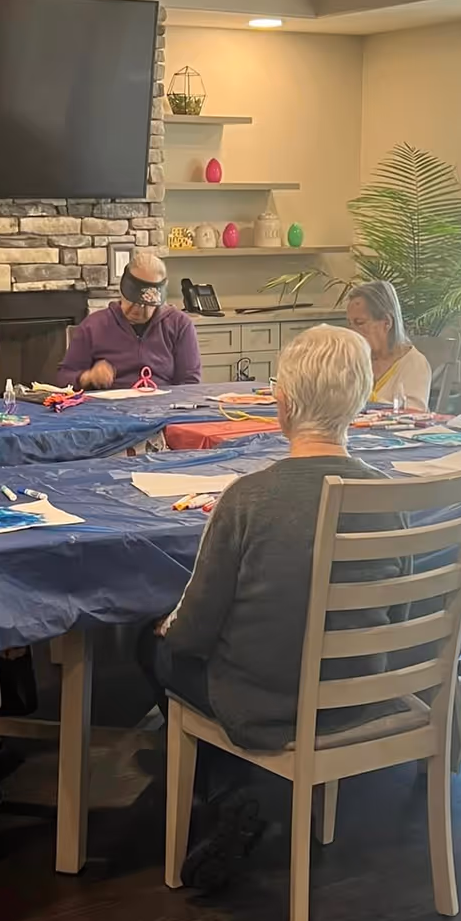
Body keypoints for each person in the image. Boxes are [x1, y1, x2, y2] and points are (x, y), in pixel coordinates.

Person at [145, 325, 407, 891]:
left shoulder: (247, 499)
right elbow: (399, 618)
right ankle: (244, 794)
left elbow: (193, 635)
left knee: (158, 652)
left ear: (281, 405)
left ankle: (228, 796)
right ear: (361, 402)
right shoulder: (391, 498)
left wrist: (166, 627)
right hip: (362, 694)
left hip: (265, 704)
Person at [59, 250, 201, 390]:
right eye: (132, 300)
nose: (138, 309)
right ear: (122, 290)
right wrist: (88, 377)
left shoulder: (180, 325)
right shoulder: (93, 326)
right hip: (108, 407)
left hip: (163, 407)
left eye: (147, 304)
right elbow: (63, 378)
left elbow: (189, 383)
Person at [345, 280, 433, 412]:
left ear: (387, 322)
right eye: (350, 324)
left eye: (360, 323)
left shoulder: (414, 363)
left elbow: (414, 415)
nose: (352, 332)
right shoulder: (354, 359)